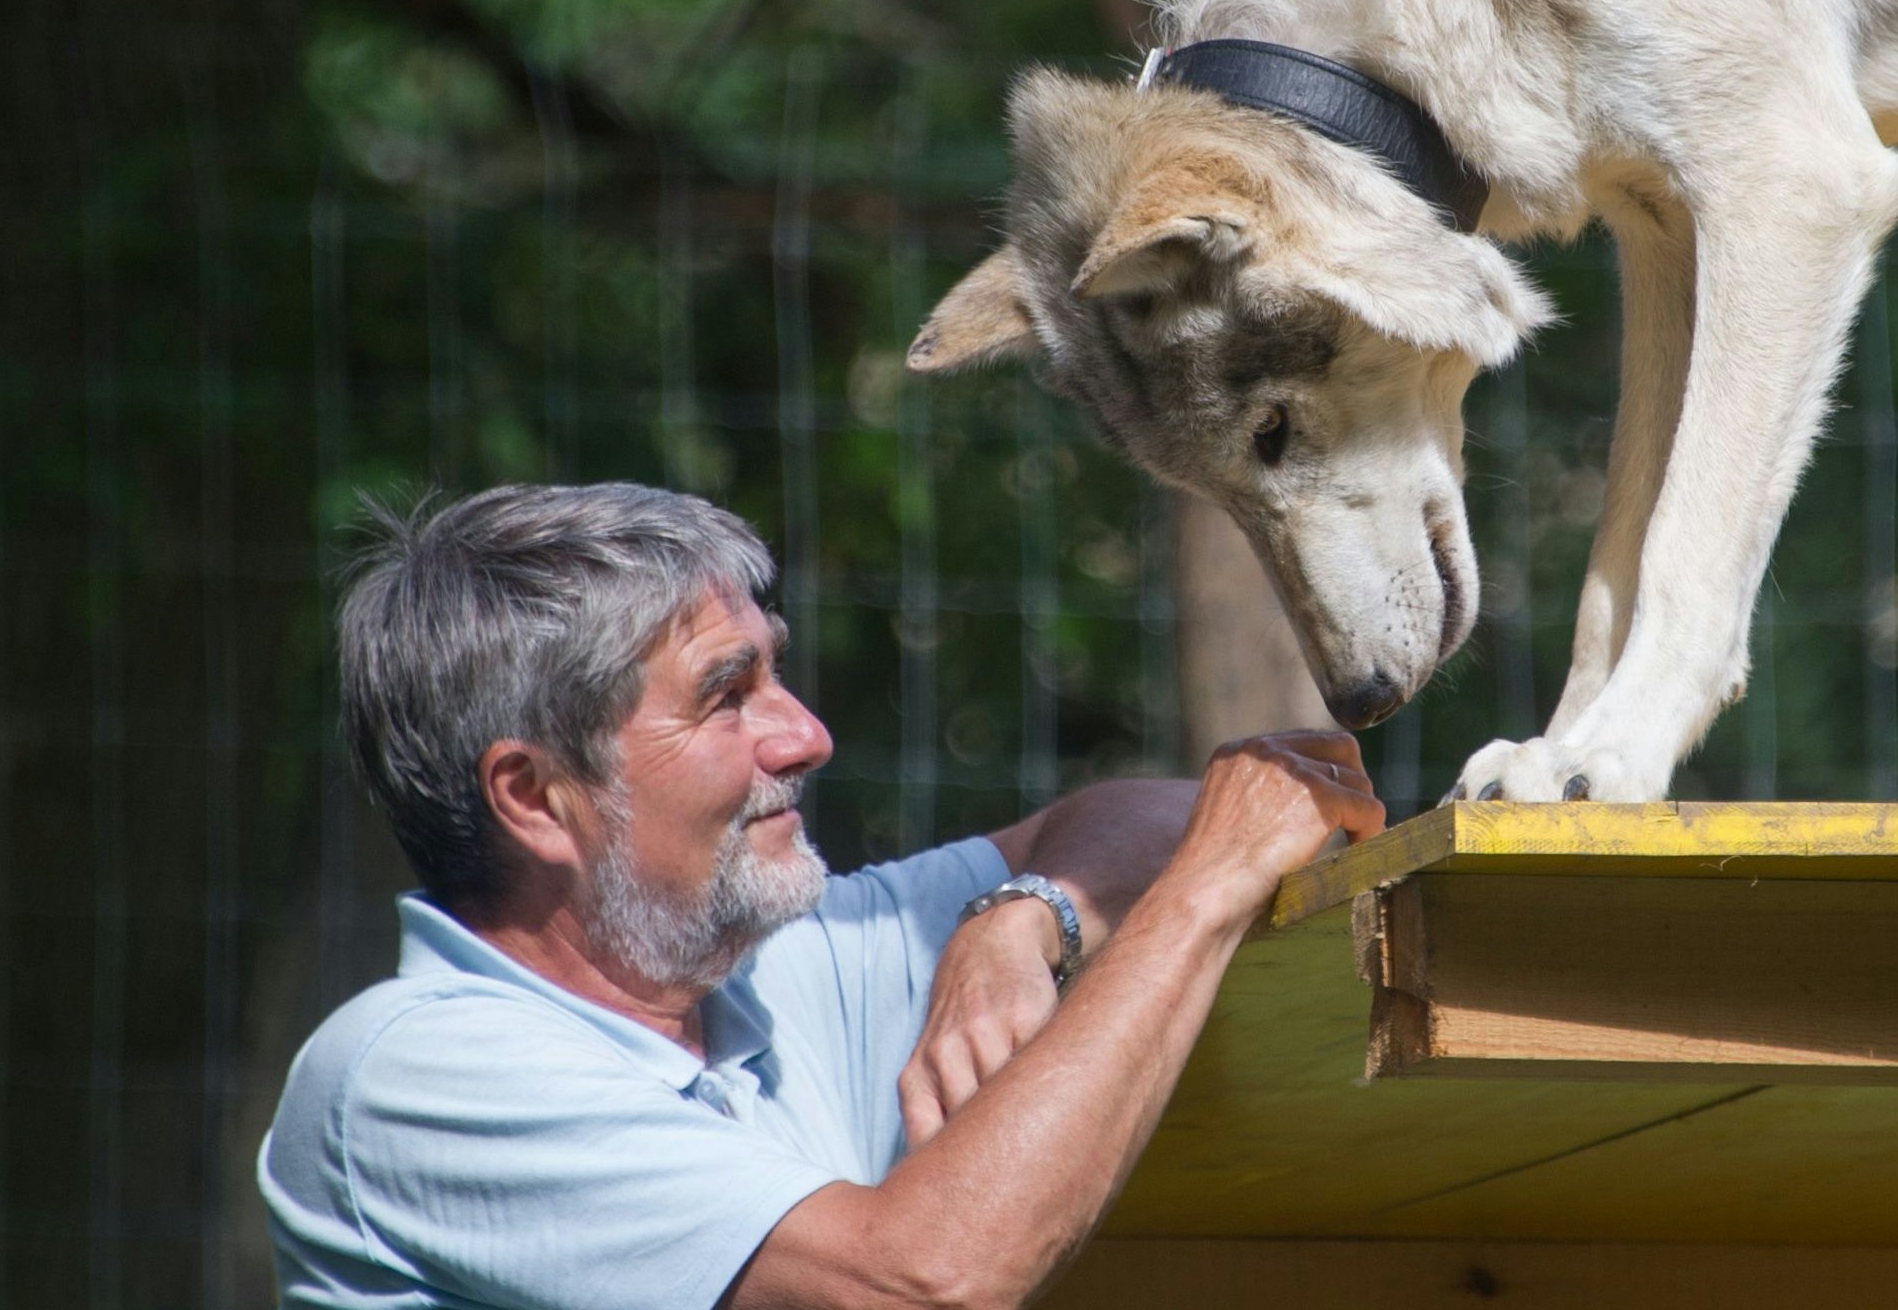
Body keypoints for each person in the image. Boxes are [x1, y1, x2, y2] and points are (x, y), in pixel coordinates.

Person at [258, 482, 1383, 1310]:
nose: (804, 733)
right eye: (725, 693)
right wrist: (1202, 899)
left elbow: (1159, 817)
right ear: (535, 794)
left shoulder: (772, 966)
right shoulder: (416, 1070)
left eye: (775, 670)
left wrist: (1023, 914)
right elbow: (919, 1279)